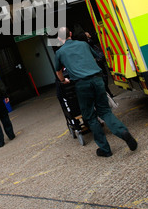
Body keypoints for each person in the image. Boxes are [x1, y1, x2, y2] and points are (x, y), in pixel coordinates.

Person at [55, 27, 137, 157]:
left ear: (59, 39)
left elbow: (58, 72)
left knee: (90, 116)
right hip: (97, 80)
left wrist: (63, 80)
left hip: (82, 85)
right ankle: (122, 132)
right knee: (104, 111)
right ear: (70, 34)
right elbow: (98, 57)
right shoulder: (83, 44)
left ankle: (105, 149)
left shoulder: (59, 53)